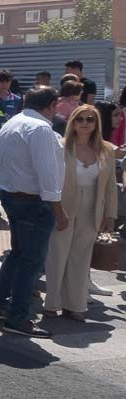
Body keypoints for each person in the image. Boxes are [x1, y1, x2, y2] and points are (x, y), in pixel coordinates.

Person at [0, 87, 66, 338]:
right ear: (53, 104)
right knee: (31, 261)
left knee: (19, 254)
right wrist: (58, 209)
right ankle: (17, 316)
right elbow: (46, 172)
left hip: (12, 197)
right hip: (34, 202)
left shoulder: (13, 122)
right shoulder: (40, 128)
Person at [43, 105, 118, 320]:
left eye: (90, 119)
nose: (85, 123)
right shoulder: (61, 146)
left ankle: (75, 305)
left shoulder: (106, 150)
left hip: (93, 209)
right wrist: (54, 207)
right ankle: (52, 304)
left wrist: (110, 215)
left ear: (96, 124)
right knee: (57, 255)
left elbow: (111, 185)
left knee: (81, 258)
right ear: (73, 122)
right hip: (64, 207)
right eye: (80, 119)